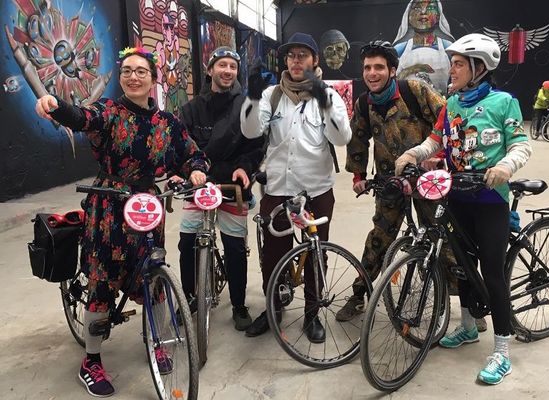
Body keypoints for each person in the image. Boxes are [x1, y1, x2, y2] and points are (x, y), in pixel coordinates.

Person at [35, 47, 210, 397]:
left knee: (154, 277)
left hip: (148, 205)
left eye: (141, 71)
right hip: (111, 207)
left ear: (153, 79)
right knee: (102, 282)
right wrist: (55, 105)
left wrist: (196, 173)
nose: (133, 76)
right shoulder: (110, 112)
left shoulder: (168, 123)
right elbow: (83, 117)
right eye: (127, 70)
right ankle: (91, 360)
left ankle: (157, 341)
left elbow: (193, 155)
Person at [394, 33, 532, 385]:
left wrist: (506, 167)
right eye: (452, 63)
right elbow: (435, 140)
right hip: (457, 197)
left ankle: (502, 350)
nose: (451, 69)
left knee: (492, 272)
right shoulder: (452, 104)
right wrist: (414, 153)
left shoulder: (504, 102)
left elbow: (520, 144)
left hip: (490, 201)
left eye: (457, 64)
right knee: (462, 263)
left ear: (478, 68)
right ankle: (469, 327)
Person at [239, 32, 352, 341]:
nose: (297, 60)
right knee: (273, 254)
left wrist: (323, 97)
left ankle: (312, 314)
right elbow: (250, 130)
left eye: (303, 54)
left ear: (315, 60)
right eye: (291, 55)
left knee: (317, 253)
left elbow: (342, 138)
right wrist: (250, 95)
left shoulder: (329, 95)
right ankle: (273, 308)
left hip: (316, 190)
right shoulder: (272, 95)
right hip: (277, 188)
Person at [337, 40, 445, 321]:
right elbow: (358, 140)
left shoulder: (415, 91)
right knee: (379, 238)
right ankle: (359, 294)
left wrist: (438, 153)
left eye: (379, 67)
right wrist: (359, 176)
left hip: (426, 181)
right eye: (367, 68)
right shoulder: (364, 104)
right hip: (390, 182)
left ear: (392, 70)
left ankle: (467, 302)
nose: (372, 73)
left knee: (440, 239)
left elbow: (448, 119)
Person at [177, 46, 264, 331]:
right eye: (222, 65)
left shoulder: (245, 106)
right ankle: (190, 297)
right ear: (210, 69)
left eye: (232, 66)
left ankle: (239, 304)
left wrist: (245, 167)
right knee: (187, 242)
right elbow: (180, 146)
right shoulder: (190, 109)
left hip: (231, 184)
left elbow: (255, 145)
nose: (227, 71)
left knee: (235, 248)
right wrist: (183, 172)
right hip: (198, 185)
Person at [393, 0, 455, 94]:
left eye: (430, 8)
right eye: (417, 8)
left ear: (438, 16)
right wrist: (413, 69)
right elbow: (391, 84)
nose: (423, 12)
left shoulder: (449, 48)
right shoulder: (399, 49)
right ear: (408, 16)